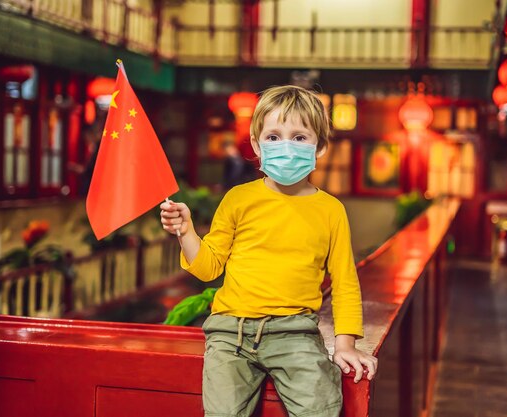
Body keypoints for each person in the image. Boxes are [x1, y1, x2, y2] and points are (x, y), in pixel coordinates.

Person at [160, 85, 377, 417]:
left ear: (319, 146)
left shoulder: (331, 210)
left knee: (321, 407)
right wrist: (186, 231)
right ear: (257, 145)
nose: (286, 146)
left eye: (299, 137)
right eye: (274, 137)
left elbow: (345, 280)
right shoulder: (237, 199)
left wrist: (346, 344)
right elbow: (208, 268)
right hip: (229, 333)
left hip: (296, 334)